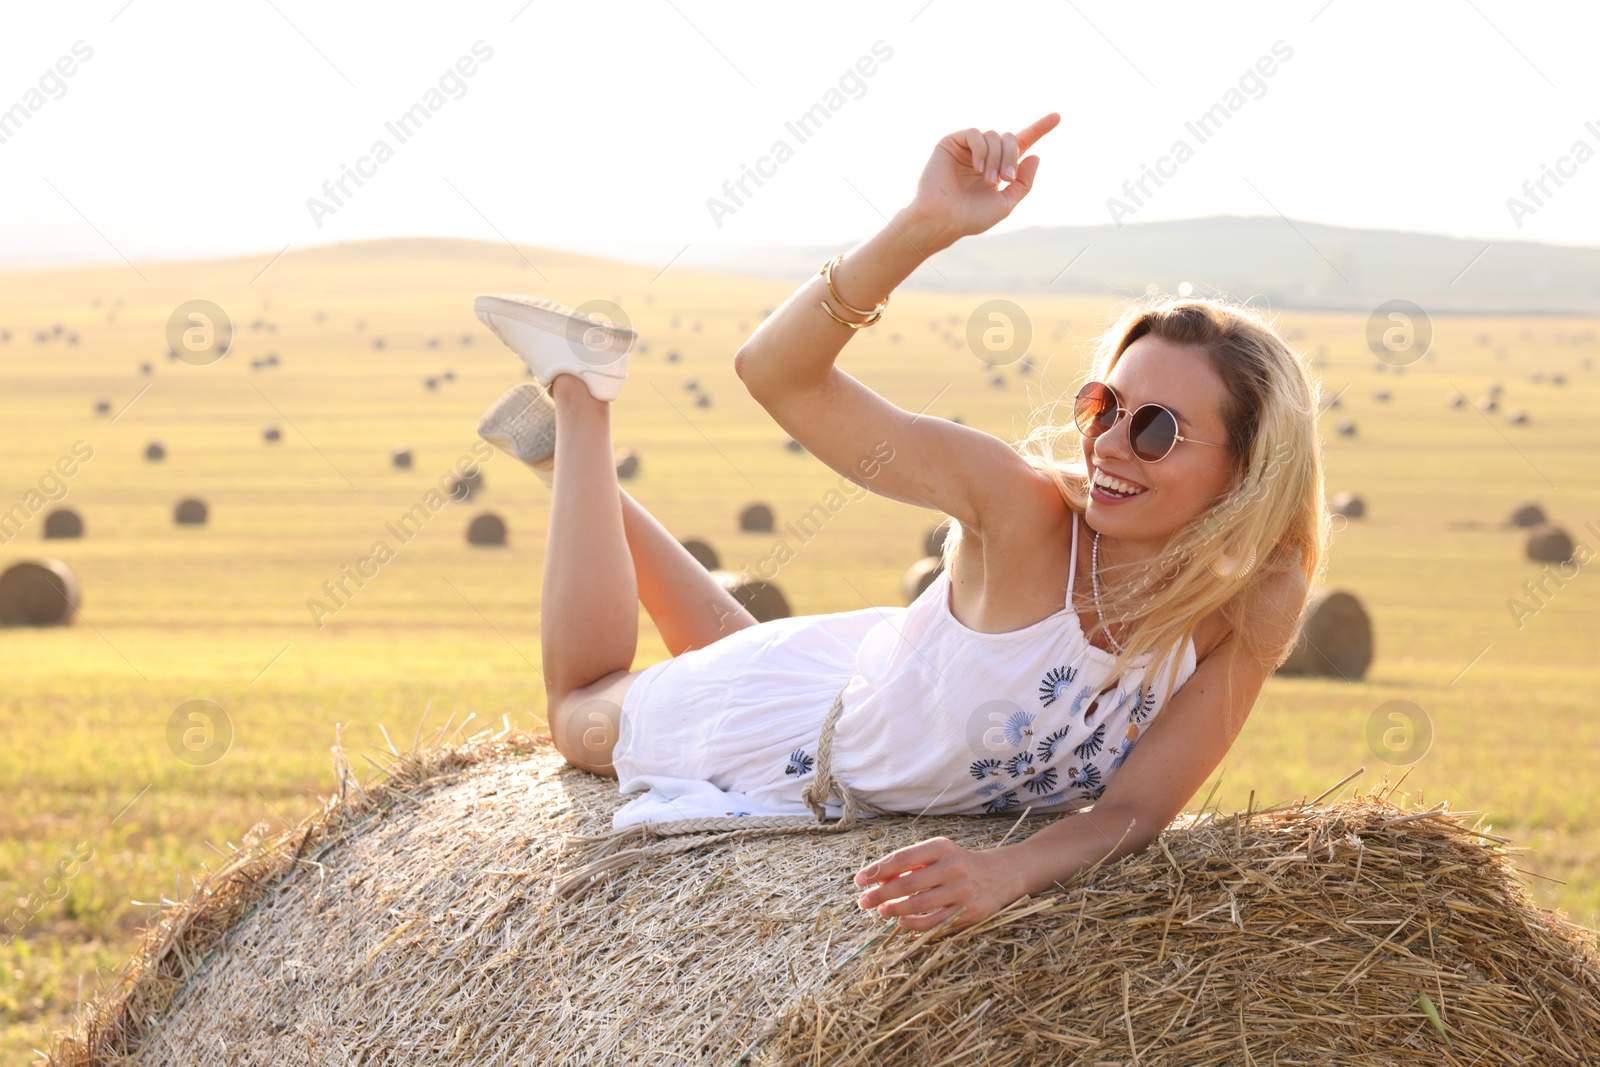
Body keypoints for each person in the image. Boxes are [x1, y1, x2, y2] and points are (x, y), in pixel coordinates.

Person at [471, 113, 1328, 933]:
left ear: (1249, 468)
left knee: (726, 657)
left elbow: (1138, 807)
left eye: (1156, 428)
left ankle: (575, 477)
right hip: (820, 734)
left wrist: (1010, 868)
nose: (1110, 444)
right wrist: (924, 225)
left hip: (878, 684)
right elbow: (776, 374)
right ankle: (584, 401)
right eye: (1104, 405)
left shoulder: (1259, 596)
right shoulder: (1019, 509)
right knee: (578, 712)